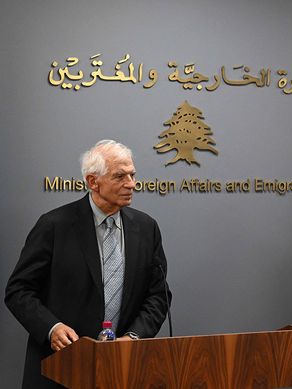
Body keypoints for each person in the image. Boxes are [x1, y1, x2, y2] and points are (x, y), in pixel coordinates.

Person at [5, 140, 172, 389]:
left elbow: (158, 296)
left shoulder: (147, 228)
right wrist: (51, 328)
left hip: (122, 369)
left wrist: (133, 337)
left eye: (132, 175)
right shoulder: (54, 225)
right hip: (60, 368)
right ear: (93, 182)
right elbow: (19, 291)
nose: (131, 184)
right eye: (120, 176)